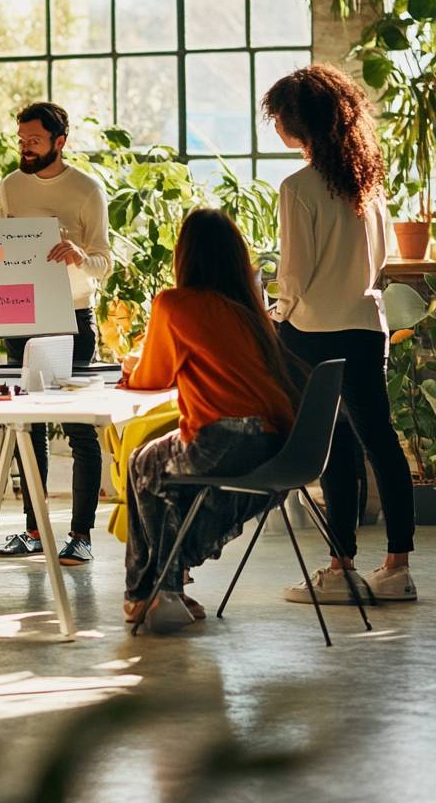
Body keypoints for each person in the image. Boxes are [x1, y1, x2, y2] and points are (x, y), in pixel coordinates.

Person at [263, 64, 417, 604]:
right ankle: (397, 568)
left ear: (295, 122)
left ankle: (340, 567)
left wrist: (276, 312)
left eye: (278, 118)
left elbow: (296, 276)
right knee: (381, 441)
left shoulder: (297, 186)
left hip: (312, 331)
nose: (277, 128)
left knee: (333, 448)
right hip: (364, 324)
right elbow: (385, 260)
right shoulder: (367, 184)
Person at [121, 209, 297, 632]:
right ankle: (169, 589)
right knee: (160, 462)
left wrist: (131, 366)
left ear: (186, 256)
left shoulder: (175, 303)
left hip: (222, 442)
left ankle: (148, 592)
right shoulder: (248, 311)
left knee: (143, 463)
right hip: (279, 449)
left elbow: (152, 377)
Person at [0, 101, 112, 565]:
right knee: (28, 428)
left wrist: (79, 254)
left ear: (59, 142)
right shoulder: (10, 186)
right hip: (21, 316)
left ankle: (80, 535)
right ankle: (33, 530)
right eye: (21, 141)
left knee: (81, 429)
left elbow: (104, 262)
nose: (25, 148)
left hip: (74, 318)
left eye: (34, 142)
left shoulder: (86, 190)